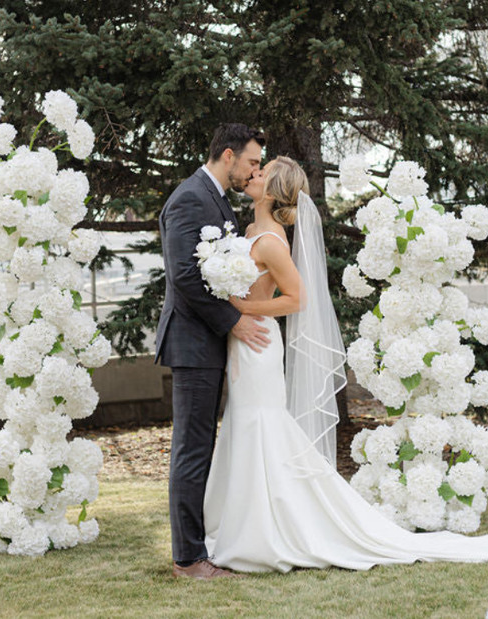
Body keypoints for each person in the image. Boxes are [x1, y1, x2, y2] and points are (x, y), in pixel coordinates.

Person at [201, 156, 488, 573]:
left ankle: (267, 531)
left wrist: (242, 307)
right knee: (244, 422)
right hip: (243, 344)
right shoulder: (252, 230)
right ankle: (244, 522)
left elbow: (298, 298)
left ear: (272, 191)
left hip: (258, 342)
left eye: (262, 171)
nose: (254, 173)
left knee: (262, 425)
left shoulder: (271, 240)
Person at [155, 124, 270, 580]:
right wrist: (234, 321)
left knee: (201, 446)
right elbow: (184, 276)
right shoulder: (189, 198)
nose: (254, 170)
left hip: (209, 344)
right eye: (252, 162)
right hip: (192, 344)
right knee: (192, 448)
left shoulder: (217, 199)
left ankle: (201, 545)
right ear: (228, 155)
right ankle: (187, 558)